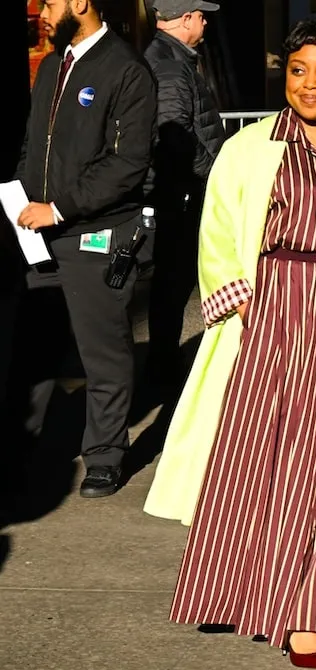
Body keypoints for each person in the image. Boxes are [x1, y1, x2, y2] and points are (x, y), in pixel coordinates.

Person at [141, 17, 316, 667]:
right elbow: (218, 232)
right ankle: (282, 611)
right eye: (298, 70)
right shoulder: (249, 148)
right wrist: (240, 305)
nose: (310, 84)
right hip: (268, 319)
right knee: (264, 467)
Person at [9, 0, 156, 498]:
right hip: (38, 232)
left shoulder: (126, 69)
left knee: (103, 351)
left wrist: (60, 207)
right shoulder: (53, 65)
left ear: (81, 3)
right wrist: (25, 195)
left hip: (96, 233)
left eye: (50, 2)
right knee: (33, 350)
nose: (42, 13)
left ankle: (104, 457)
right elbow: (35, 143)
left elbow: (128, 163)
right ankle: (19, 452)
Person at [144, 0, 226, 389]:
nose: (206, 21)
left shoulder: (173, 58)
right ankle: (162, 368)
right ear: (187, 18)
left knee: (173, 285)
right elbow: (174, 132)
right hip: (180, 194)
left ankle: (163, 362)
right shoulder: (171, 64)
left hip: (182, 190)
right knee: (172, 284)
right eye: (201, 14)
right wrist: (213, 170)